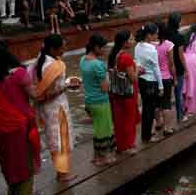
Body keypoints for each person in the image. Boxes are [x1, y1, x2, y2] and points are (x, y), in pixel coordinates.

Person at [30, 35, 76, 181]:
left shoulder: (40, 61)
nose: (64, 50)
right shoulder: (51, 66)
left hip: (49, 108)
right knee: (60, 139)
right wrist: (66, 85)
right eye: (62, 47)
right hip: (55, 107)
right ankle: (62, 174)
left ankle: (61, 172)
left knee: (55, 138)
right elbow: (47, 93)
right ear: (52, 49)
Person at [0, 43, 41, 195]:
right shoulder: (19, 74)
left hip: (1, 131)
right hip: (21, 126)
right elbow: (36, 95)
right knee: (25, 170)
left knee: (10, 167)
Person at [80, 34, 116, 166]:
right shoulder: (98, 64)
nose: (106, 50)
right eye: (104, 48)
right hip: (100, 101)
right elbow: (105, 88)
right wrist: (107, 73)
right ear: (96, 47)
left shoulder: (83, 60)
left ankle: (96, 156)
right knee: (104, 130)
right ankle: (103, 158)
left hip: (89, 101)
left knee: (97, 128)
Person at [107, 30, 139, 154]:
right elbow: (133, 78)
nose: (134, 41)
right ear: (125, 43)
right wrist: (138, 70)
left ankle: (120, 144)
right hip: (127, 93)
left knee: (119, 120)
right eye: (131, 39)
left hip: (116, 92)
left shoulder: (113, 55)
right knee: (129, 120)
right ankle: (128, 146)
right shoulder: (126, 57)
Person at [135, 23, 164, 142]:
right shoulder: (152, 49)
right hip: (151, 82)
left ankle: (145, 134)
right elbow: (156, 68)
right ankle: (147, 137)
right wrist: (161, 86)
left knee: (146, 108)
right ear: (148, 35)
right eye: (155, 33)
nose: (157, 35)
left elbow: (137, 62)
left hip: (141, 80)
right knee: (149, 109)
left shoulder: (138, 46)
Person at [155, 22, 176, 135]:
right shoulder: (169, 45)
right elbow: (171, 64)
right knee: (166, 103)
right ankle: (167, 128)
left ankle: (158, 123)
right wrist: (175, 78)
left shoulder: (152, 45)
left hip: (154, 78)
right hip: (166, 77)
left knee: (157, 103)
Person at [166, 12, 188, 122]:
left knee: (166, 96)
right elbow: (181, 56)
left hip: (166, 68)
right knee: (178, 93)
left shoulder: (164, 34)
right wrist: (186, 69)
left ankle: (164, 120)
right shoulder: (179, 37)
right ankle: (180, 116)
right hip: (178, 68)